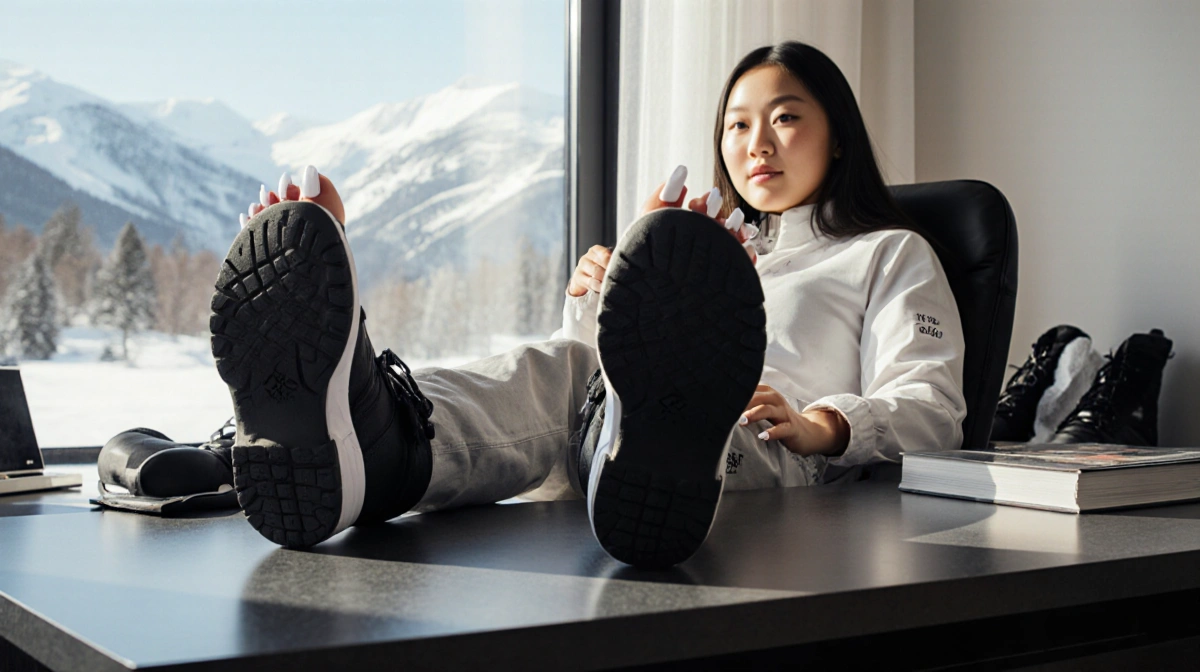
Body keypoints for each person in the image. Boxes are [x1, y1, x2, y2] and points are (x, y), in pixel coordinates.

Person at [212, 40, 966, 569]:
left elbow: (932, 404)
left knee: (622, 399)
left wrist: (823, 424)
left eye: (786, 117)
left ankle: (387, 433)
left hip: (759, 450)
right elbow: (564, 394)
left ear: (837, 137)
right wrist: (601, 306)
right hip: (619, 445)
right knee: (566, 369)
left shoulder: (888, 253)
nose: (756, 143)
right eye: (738, 124)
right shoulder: (719, 250)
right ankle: (378, 437)